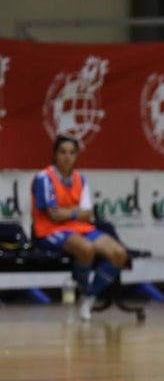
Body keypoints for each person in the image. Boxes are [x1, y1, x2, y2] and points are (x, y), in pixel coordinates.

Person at [31, 135, 129, 322]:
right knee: (86, 249)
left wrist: (70, 213)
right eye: (63, 152)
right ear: (55, 155)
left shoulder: (80, 179)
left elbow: (87, 214)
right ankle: (83, 287)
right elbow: (54, 215)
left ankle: (89, 296)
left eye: (72, 153)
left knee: (119, 253)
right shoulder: (44, 178)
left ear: (76, 156)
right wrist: (76, 211)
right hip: (50, 231)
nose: (67, 157)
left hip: (79, 227)